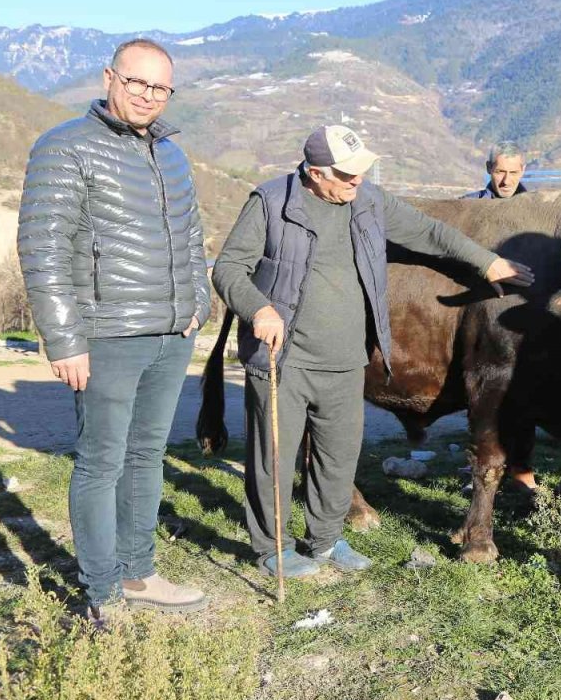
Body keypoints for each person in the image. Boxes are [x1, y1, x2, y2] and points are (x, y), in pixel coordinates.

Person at [212, 125, 534, 578]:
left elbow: (429, 232)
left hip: (348, 359)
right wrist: (258, 308)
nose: (356, 181)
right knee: (275, 458)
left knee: (338, 456)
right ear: (315, 172)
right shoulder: (270, 203)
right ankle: (273, 548)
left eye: (360, 172)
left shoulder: (367, 201)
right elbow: (228, 269)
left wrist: (487, 261)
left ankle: (325, 541)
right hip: (285, 358)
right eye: (346, 175)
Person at [17, 39, 211, 623]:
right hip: (105, 336)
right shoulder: (64, 147)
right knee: (102, 463)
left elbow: (192, 236)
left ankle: (138, 571)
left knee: (147, 455)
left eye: (160, 87)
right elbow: (42, 247)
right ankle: (101, 593)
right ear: (109, 77)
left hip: (171, 334)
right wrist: (65, 339)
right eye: (137, 83)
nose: (149, 96)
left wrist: (198, 302)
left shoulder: (171, 154)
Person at [461, 140, 536, 493]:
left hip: (518, 319)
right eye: (500, 171)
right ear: (489, 170)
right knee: (479, 397)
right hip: (474, 312)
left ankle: (521, 470)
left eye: (514, 172)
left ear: (524, 171)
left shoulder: (534, 212)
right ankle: (477, 471)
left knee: (522, 397)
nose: (506, 180)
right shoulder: (469, 208)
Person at [463, 141, 528, 199]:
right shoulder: (465, 207)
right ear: (489, 167)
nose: (506, 182)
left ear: (523, 170)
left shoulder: (536, 210)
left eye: (513, 173)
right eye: (500, 172)